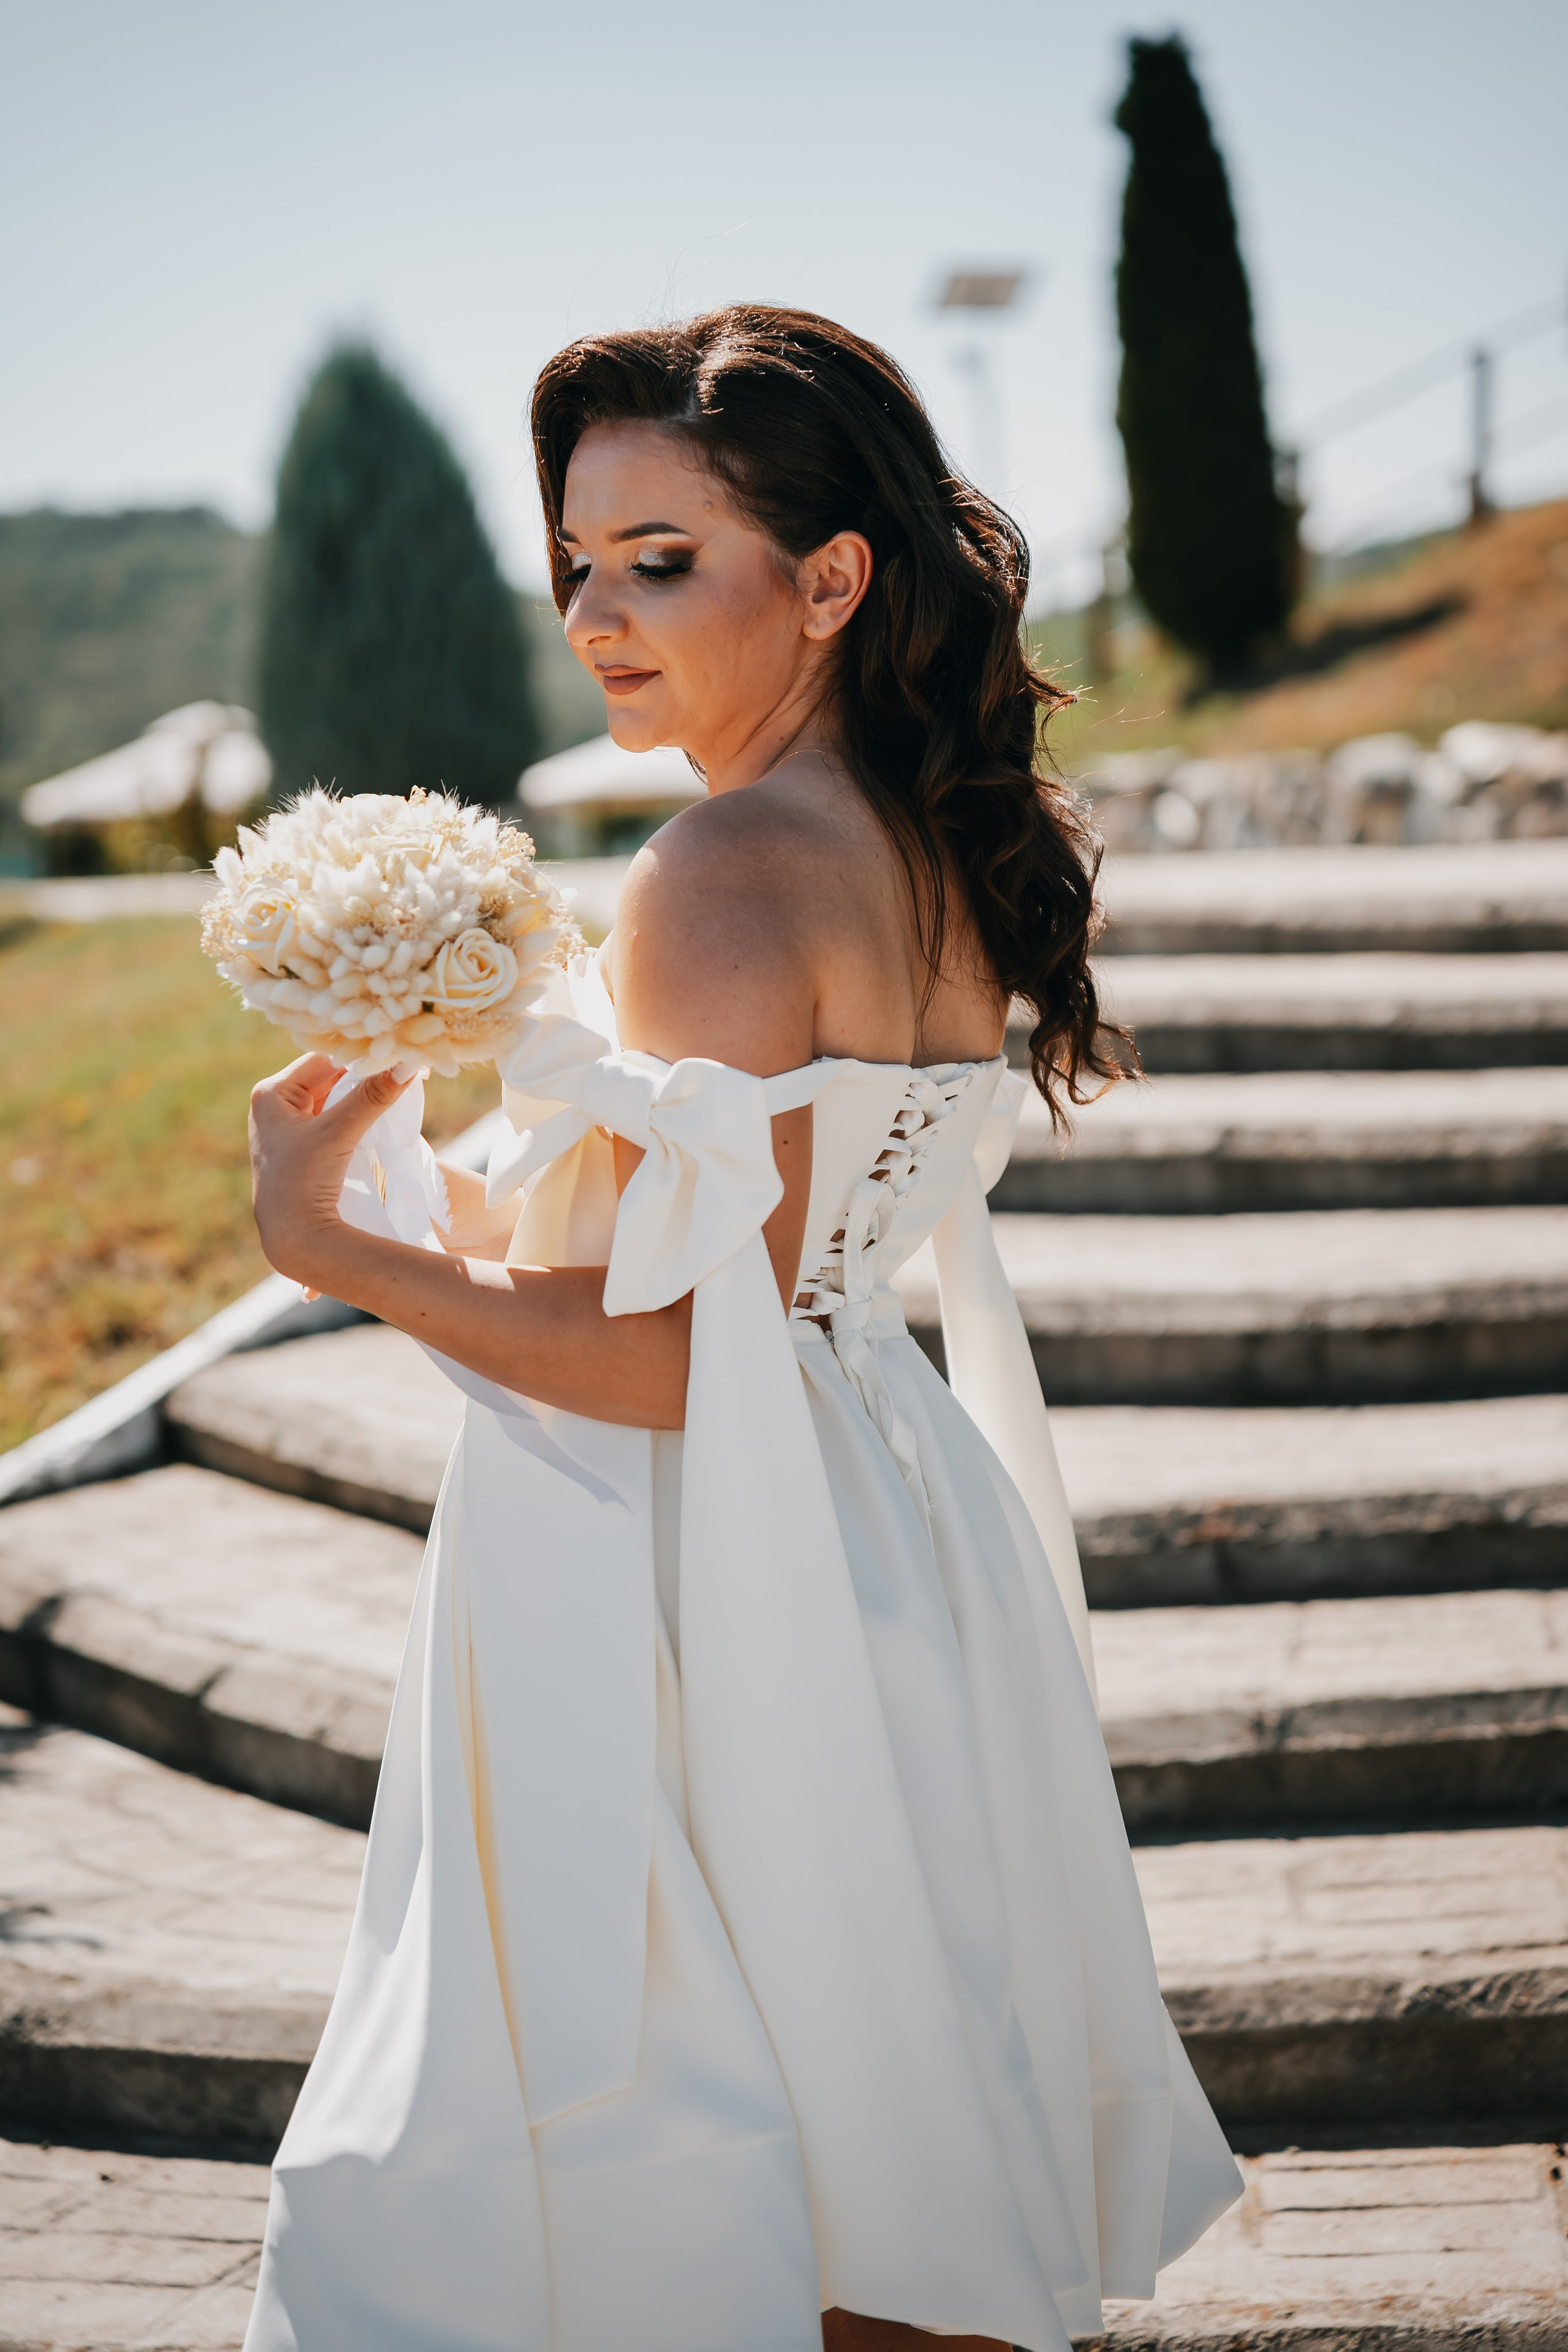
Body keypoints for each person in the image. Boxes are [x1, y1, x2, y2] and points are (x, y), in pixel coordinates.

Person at [241, 306, 1240, 2352]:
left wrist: (331, 1250)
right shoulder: (922, 838)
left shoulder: (719, 870)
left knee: (714, 2156)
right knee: (876, 2140)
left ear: (832, 577)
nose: (596, 616)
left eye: (661, 559)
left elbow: (680, 1359)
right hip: (876, 1512)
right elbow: (742, 1273)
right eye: (577, 563)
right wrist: (429, 1171)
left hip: (704, 1572)